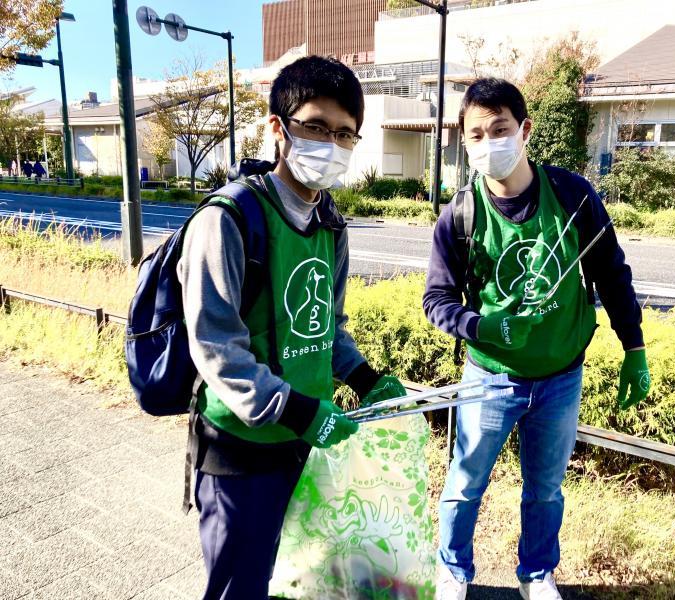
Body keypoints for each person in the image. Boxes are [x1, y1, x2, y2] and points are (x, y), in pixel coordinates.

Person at [176, 55, 406, 600]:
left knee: (301, 578)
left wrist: (365, 376)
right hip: (241, 448)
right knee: (240, 586)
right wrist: (297, 411)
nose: (332, 143)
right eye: (316, 127)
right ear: (279, 128)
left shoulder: (331, 223)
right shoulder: (228, 219)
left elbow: (327, 327)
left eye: (345, 134)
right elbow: (215, 348)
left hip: (307, 444)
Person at [423, 78, 650, 600]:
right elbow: (436, 301)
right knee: (464, 485)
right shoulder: (459, 215)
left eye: (499, 130)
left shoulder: (572, 196)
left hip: (560, 376)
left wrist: (633, 347)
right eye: (475, 135)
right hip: (489, 378)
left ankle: (536, 573)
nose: (487, 144)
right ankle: (453, 572)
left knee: (545, 490)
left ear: (524, 130)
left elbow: (613, 274)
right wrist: (485, 327)